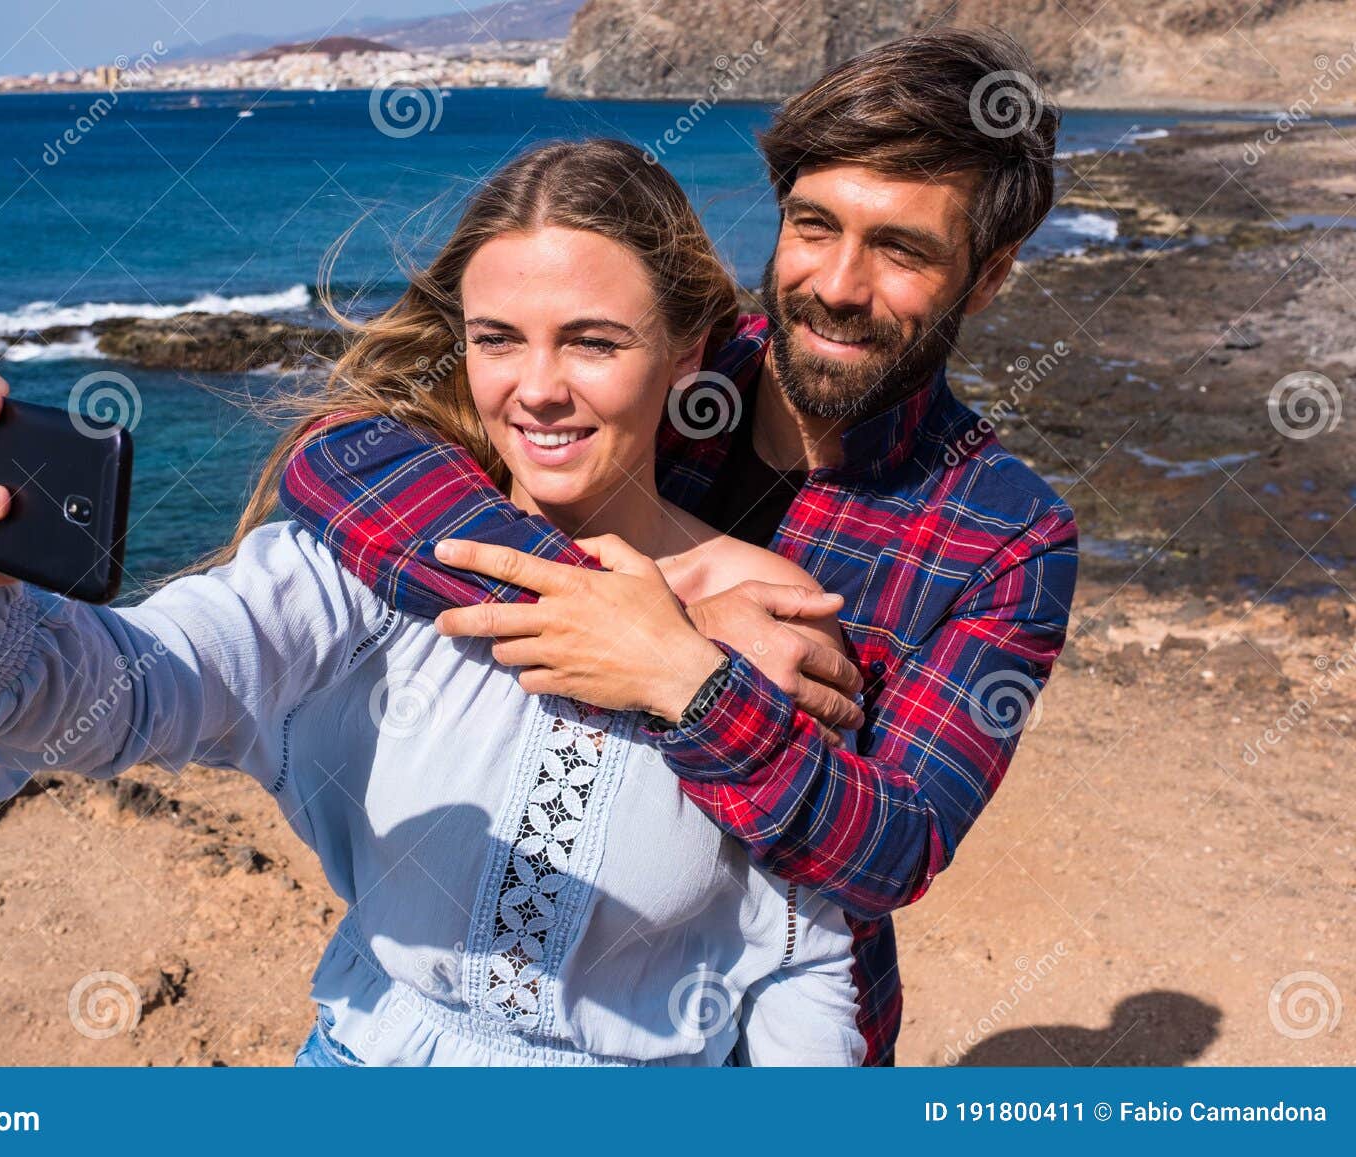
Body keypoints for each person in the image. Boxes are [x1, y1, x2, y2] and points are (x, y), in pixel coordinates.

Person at [0, 139, 868, 1066]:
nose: (537, 388)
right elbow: (119, 689)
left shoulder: (765, 618)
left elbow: (797, 955)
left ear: (687, 351)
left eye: (592, 340)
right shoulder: (363, 568)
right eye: (498, 337)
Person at [276, 29, 1081, 1066]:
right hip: (536, 984)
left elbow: (897, 843)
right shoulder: (642, 356)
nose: (836, 283)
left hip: (776, 1035)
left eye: (901, 249)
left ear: (987, 277)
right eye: (812, 225)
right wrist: (660, 612)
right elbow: (346, 455)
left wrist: (693, 684)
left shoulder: (1006, 534)